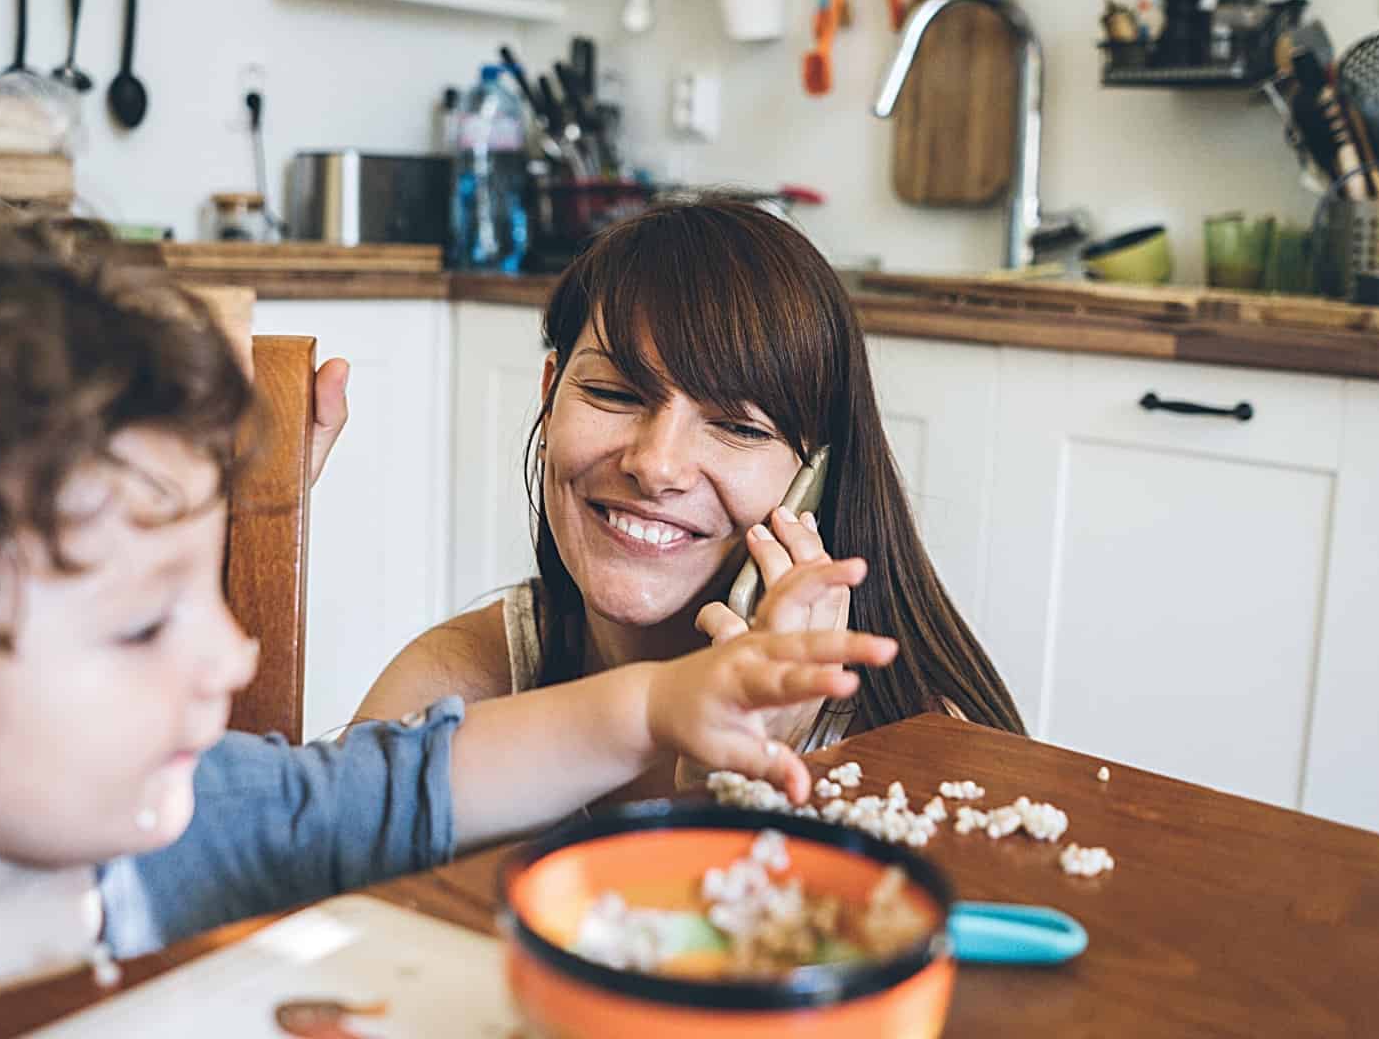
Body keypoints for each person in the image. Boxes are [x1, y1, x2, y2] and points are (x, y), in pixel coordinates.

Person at [0, 208, 891, 1037]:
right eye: (144, 629)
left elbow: (424, 776)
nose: (237, 655)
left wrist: (667, 707)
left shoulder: (198, 819)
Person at [359, 196, 1023, 796]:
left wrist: (741, 792)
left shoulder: (925, 754)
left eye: (739, 427)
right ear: (549, 395)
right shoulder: (455, 686)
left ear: (815, 477)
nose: (657, 464)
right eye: (615, 394)